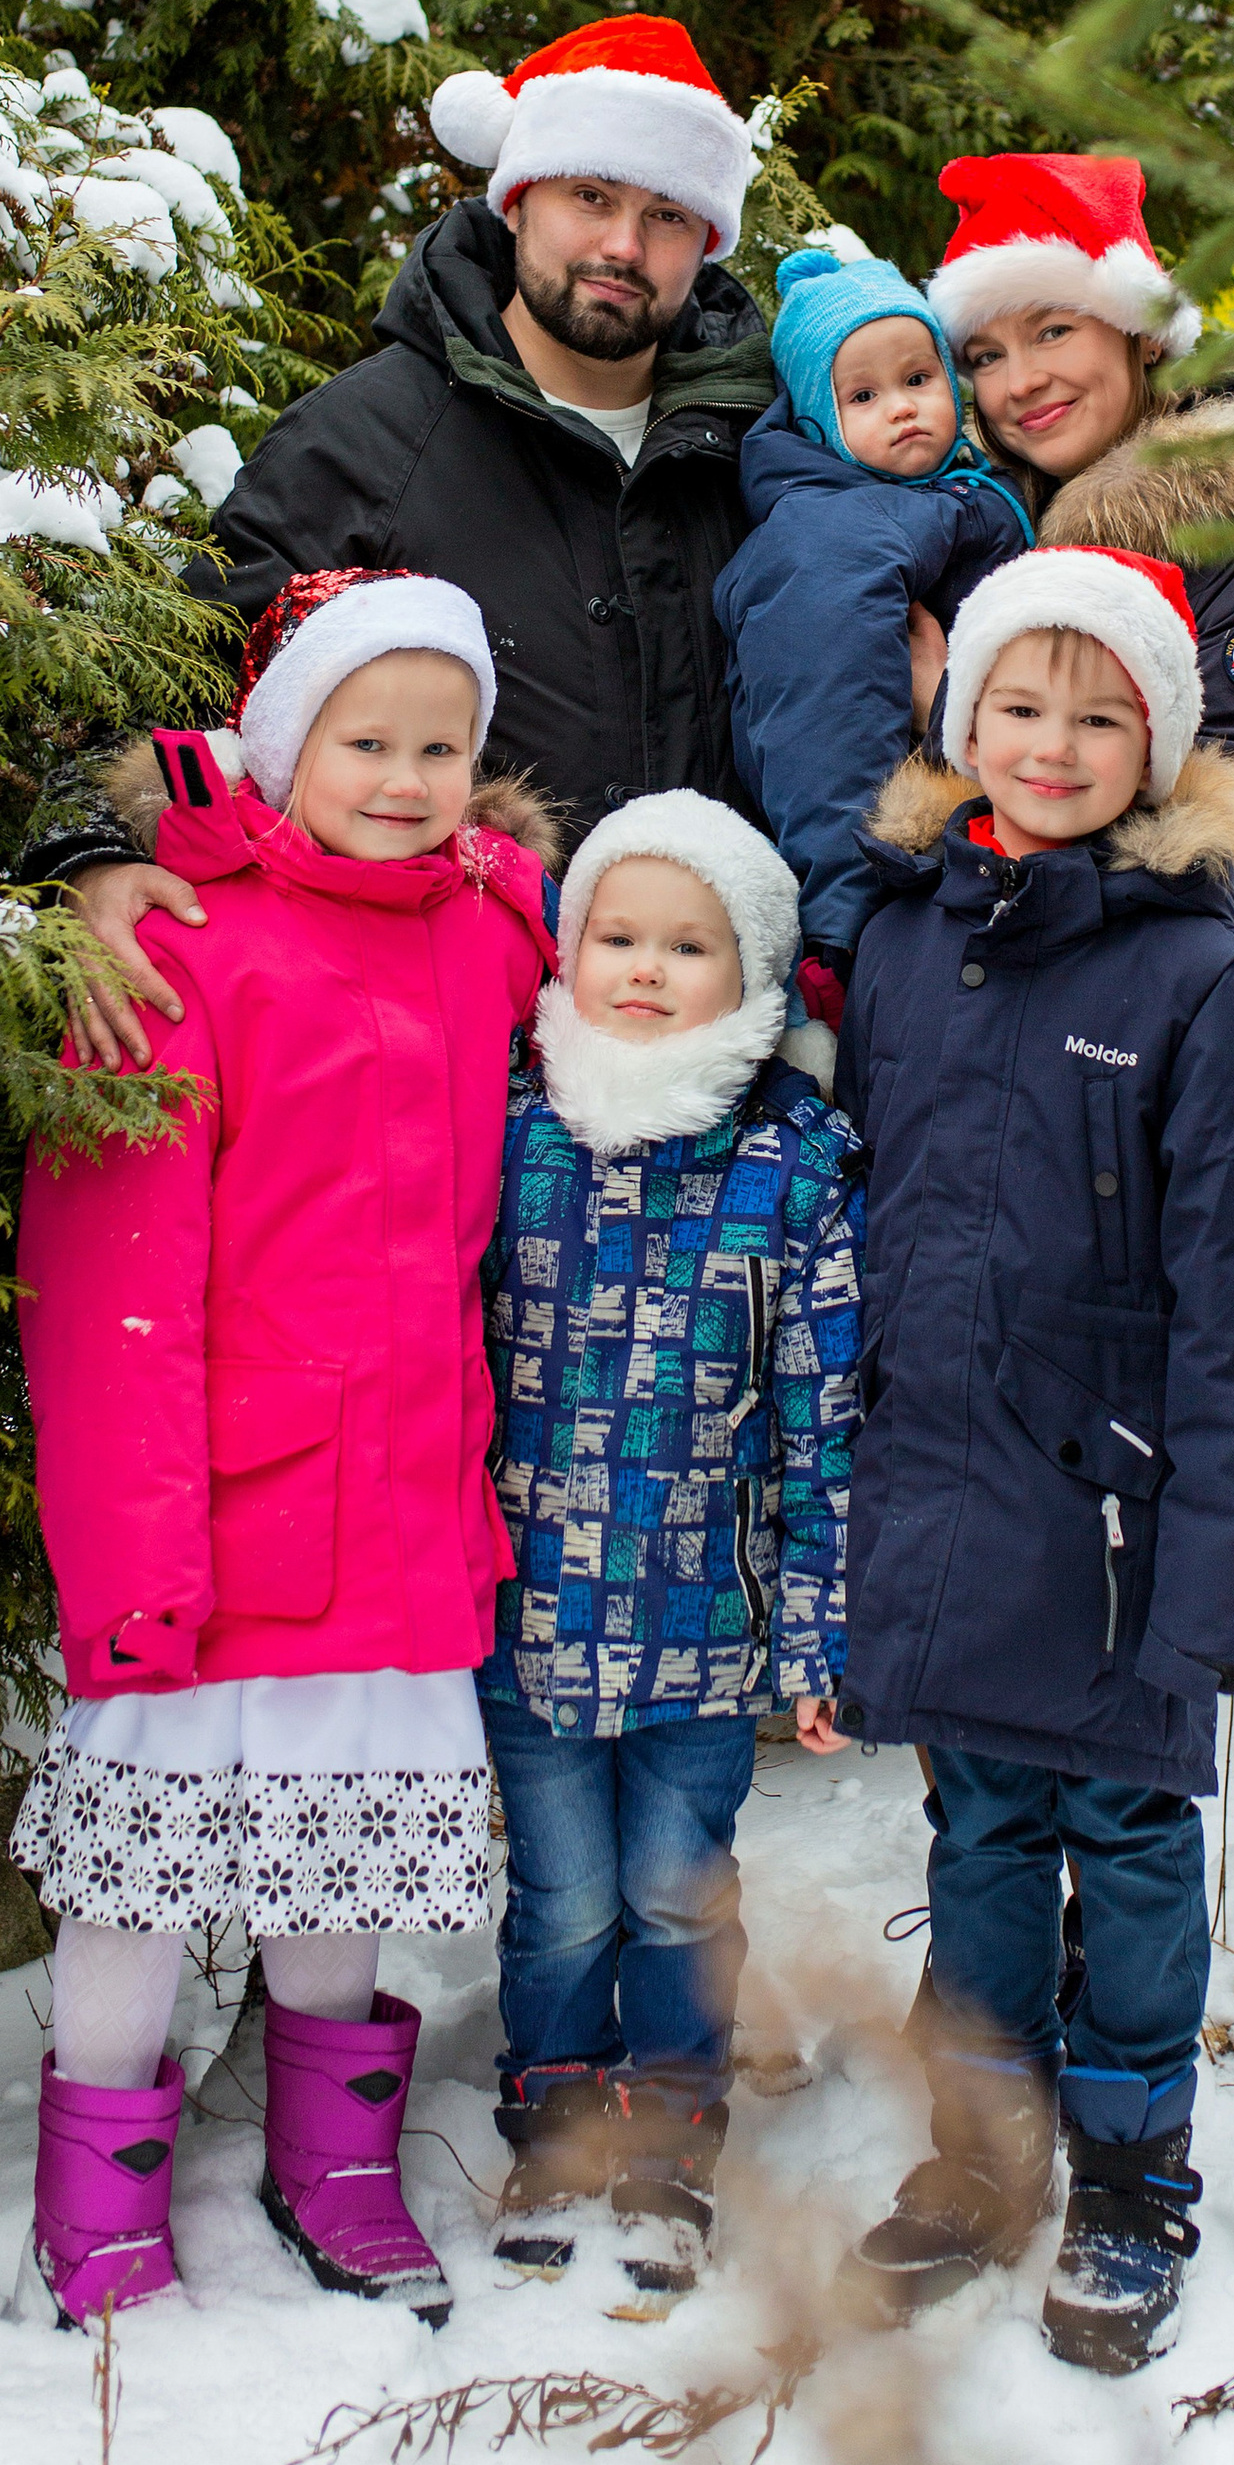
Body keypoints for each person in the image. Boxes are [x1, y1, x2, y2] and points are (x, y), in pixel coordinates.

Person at [9, 569, 557, 2331]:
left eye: (442, 748)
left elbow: (648, 965)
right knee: (138, 1887)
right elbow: (108, 1281)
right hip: (218, 1516)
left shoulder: (493, 928)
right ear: (282, 742)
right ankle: (96, 2200)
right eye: (364, 740)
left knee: (347, 1858)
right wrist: (130, 1564)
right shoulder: (177, 945)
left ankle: (336, 2166)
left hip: (400, 1503)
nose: (405, 779)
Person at [831, 543, 1234, 2375]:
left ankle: (1129, 2171)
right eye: (1018, 706)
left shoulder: (1201, 976)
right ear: (964, 724)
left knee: (1124, 1843)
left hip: (1116, 1521)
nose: (1052, 744)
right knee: (976, 1831)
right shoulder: (903, 941)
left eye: (1100, 716)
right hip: (941, 1496)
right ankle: (984, 2147)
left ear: (1162, 744)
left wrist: (1221, 1582)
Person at [33, 14, 773, 1068]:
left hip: (715, 1058)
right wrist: (91, 857)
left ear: (706, 242)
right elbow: (171, 672)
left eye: (666, 214)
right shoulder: (367, 439)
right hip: (436, 1051)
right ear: (518, 199)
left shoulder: (766, 447)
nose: (623, 245)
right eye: (591, 196)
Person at [480, 790, 862, 2309]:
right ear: (568, 952)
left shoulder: (793, 1157)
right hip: (527, 1611)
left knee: (674, 1892)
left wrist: (821, 1633)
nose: (644, 966)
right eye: (616, 935)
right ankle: (559, 2120)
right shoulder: (514, 1126)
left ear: (751, 969)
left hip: (705, 1618)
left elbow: (824, 1412)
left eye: (687, 944)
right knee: (562, 1899)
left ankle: (672, 2131)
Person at [926, 149, 1234, 835]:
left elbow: (1195, 849)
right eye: (987, 356)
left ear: (1146, 336)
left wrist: (944, 705)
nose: (1020, 382)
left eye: (1053, 331)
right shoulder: (973, 522)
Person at [714, 233, 1030, 975]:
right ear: (817, 425)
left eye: (918, 377)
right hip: (883, 895)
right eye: (863, 396)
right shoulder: (830, 533)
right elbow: (826, 732)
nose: (902, 408)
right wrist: (844, 929)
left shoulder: (956, 495)